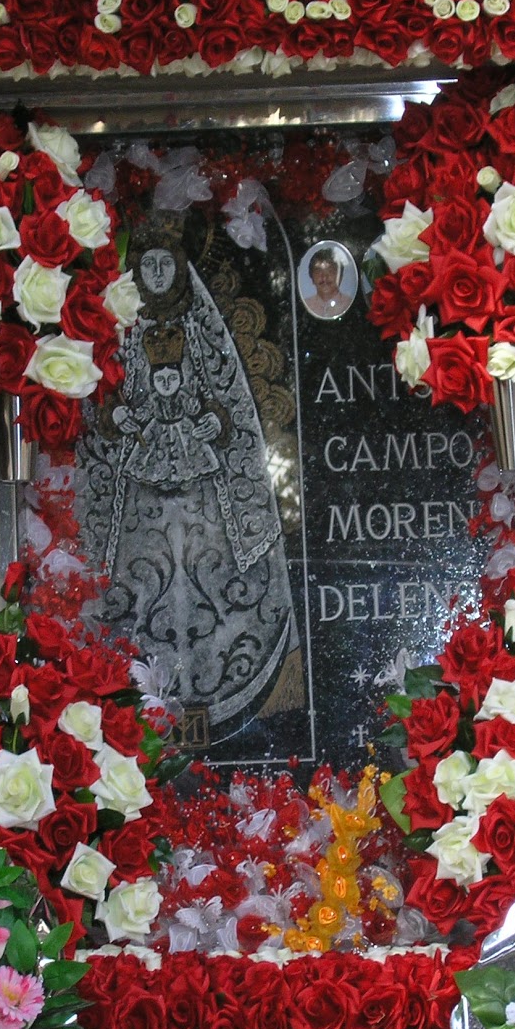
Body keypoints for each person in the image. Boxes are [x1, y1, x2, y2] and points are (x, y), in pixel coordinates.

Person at [73, 220, 300, 742]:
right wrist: (119, 420)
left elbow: (230, 399)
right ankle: (143, 698)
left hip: (203, 491)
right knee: (140, 582)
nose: (155, 276)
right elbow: (103, 404)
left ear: (178, 271)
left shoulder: (201, 328)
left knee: (206, 575)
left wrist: (213, 422)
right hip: (139, 487)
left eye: (163, 267)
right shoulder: (123, 330)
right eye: (146, 267)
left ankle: (209, 692)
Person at [301, 245, 355, 318]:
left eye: (330, 271)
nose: (324, 278)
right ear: (312, 277)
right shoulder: (305, 306)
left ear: (340, 276)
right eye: (319, 272)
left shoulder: (350, 304)